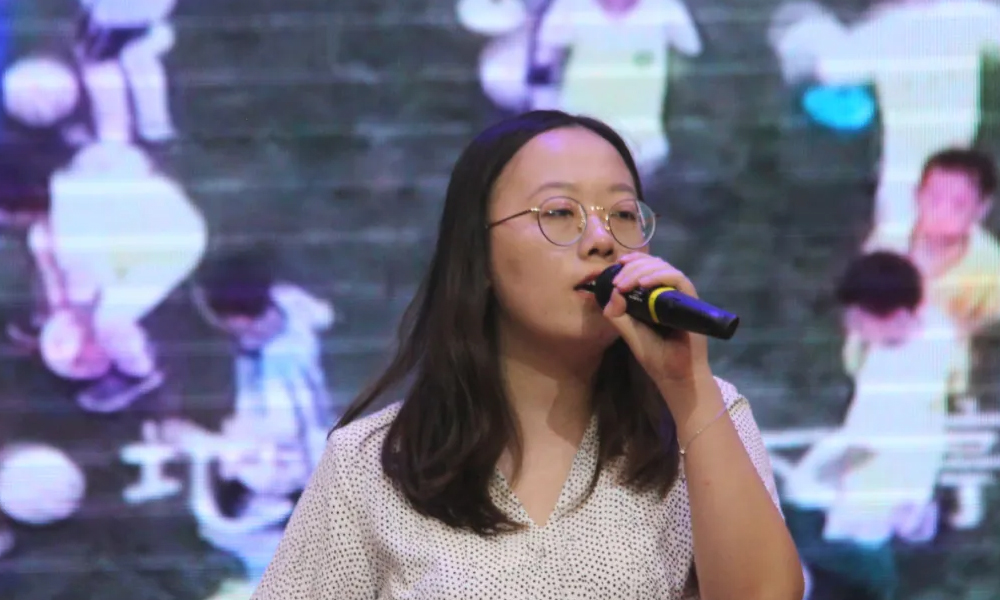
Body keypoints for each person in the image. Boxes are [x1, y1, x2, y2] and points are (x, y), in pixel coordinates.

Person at [250, 110, 803, 599]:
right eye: (559, 212)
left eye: (623, 214)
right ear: (479, 255)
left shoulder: (703, 415)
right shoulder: (372, 462)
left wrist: (688, 389)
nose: (601, 239)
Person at [784, 251, 963, 600]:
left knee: (807, 503)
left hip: (885, 475)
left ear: (897, 317)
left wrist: (825, 476)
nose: (852, 325)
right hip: (880, 454)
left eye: (859, 318)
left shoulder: (899, 384)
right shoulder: (932, 327)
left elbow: (865, 448)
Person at [1, 141, 207, 412]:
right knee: (42, 244)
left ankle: (138, 374)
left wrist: (74, 333)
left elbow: (85, 294)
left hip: (171, 240)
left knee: (109, 318)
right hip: (134, 231)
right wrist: (50, 320)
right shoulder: (58, 197)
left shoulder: (72, 230)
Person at [854, 148, 1000, 411]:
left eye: (958, 204)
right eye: (934, 198)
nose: (941, 211)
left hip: (941, 379)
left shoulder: (990, 267)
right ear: (917, 195)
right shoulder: (889, 241)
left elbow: (987, 333)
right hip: (875, 363)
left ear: (981, 209)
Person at [529, 0, 702, 174]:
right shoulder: (571, 6)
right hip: (576, 147)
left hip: (642, 149)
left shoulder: (664, 7)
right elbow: (544, 66)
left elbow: (691, 52)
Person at [75, 0, 178, 142]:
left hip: (144, 26)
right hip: (110, 28)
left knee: (134, 57)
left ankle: (151, 129)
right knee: (106, 65)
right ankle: (119, 132)